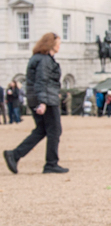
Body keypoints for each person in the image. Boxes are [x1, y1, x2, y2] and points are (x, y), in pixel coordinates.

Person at [4, 33, 68, 174]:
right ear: (51, 44)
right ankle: (51, 164)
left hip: (39, 98)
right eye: (58, 43)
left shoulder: (40, 58)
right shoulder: (44, 60)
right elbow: (42, 81)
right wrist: (43, 102)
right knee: (54, 130)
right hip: (45, 100)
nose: (59, 45)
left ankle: (14, 155)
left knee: (41, 130)